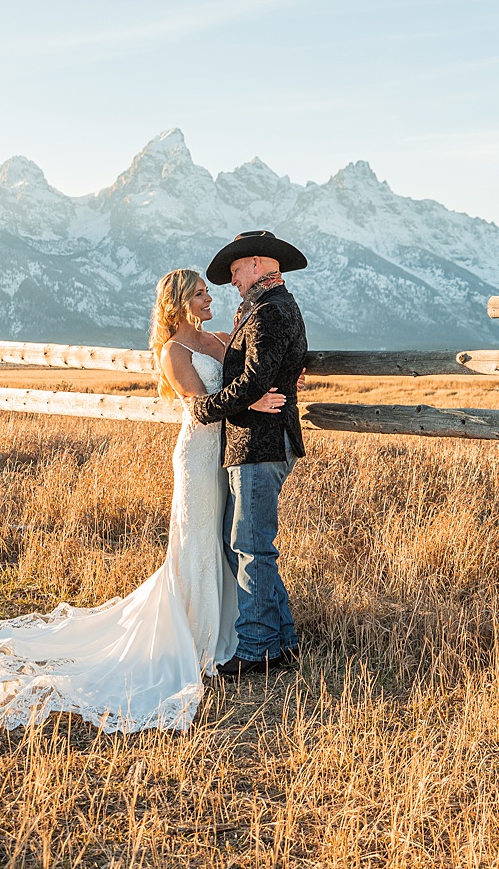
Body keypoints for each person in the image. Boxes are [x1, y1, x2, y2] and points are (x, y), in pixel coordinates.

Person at [0, 269, 287, 731]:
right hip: (198, 455)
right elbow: (200, 405)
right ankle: (197, 634)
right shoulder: (174, 351)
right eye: (199, 293)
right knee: (196, 541)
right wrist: (249, 403)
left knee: (222, 540)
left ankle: (237, 629)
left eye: (208, 291)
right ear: (178, 303)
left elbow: (254, 372)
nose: (209, 298)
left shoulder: (220, 339)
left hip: (228, 455)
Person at [189, 230, 310, 677]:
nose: (232, 281)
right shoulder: (268, 307)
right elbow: (271, 371)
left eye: (236, 271)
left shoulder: (271, 311)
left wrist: (204, 408)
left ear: (257, 263)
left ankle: (258, 647)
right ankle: (283, 641)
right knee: (242, 541)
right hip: (256, 440)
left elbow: (255, 380)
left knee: (251, 546)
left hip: (262, 441)